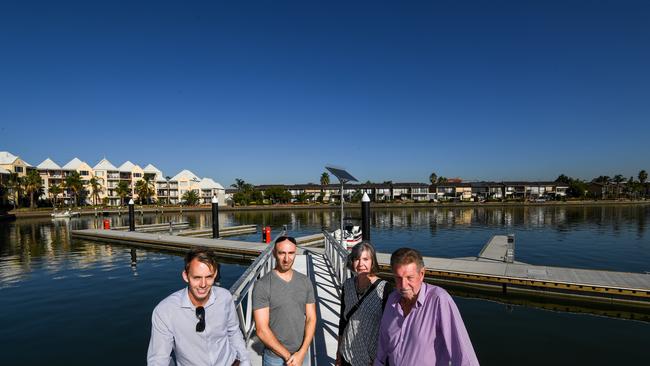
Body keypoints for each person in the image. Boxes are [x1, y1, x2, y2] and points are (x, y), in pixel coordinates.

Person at [374, 248, 479, 366]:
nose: (403, 285)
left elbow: (463, 355)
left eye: (410, 278)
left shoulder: (439, 300)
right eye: (398, 278)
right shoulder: (392, 299)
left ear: (422, 274)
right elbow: (383, 340)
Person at [147, 248, 250, 366]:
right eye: (197, 277)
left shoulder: (225, 297)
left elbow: (234, 331)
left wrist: (245, 361)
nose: (203, 284)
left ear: (215, 274)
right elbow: (159, 359)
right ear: (186, 276)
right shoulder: (165, 311)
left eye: (209, 277)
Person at [253, 236, 316, 366]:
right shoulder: (262, 285)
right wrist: (289, 357)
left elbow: (311, 318)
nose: (287, 259)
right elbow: (261, 330)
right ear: (274, 254)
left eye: (291, 253)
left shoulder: (305, 281)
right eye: (282, 253)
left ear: (296, 253)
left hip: (301, 355)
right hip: (274, 358)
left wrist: (302, 352)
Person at [336, 242, 393, 366]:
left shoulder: (385, 289)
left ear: (373, 262)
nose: (361, 264)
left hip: (370, 358)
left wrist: (382, 359)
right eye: (357, 259)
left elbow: (390, 329)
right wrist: (338, 352)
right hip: (347, 353)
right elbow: (343, 321)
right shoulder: (348, 285)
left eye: (365, 259)